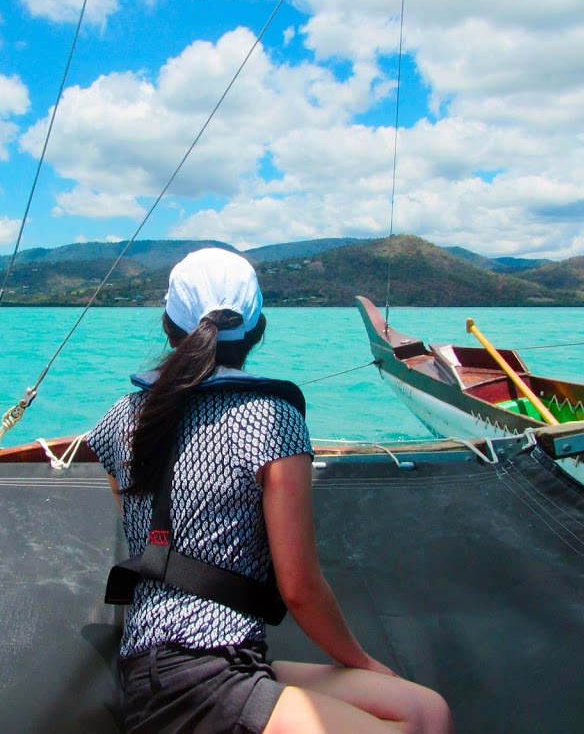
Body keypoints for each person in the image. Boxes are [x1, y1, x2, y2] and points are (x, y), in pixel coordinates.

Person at [87, 248, 451, 733]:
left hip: (211, 662)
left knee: (426, 711)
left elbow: (139, 521)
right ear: (257, 330)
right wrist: (362, 661)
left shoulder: (119, 418)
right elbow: (298, 588)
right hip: (194, 680)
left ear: (168, 326)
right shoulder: (273, 418)